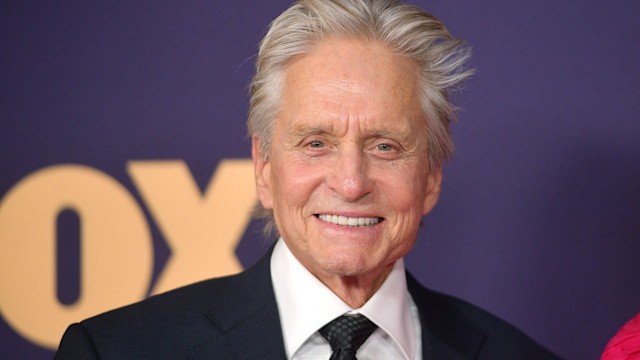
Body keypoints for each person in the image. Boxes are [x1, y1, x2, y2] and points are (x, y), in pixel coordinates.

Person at [55, 0, 560, 358]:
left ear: (430, 175)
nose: (351, 182)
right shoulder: (118, 351)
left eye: (385, 146)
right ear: (264, 167)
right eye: (316, 142)